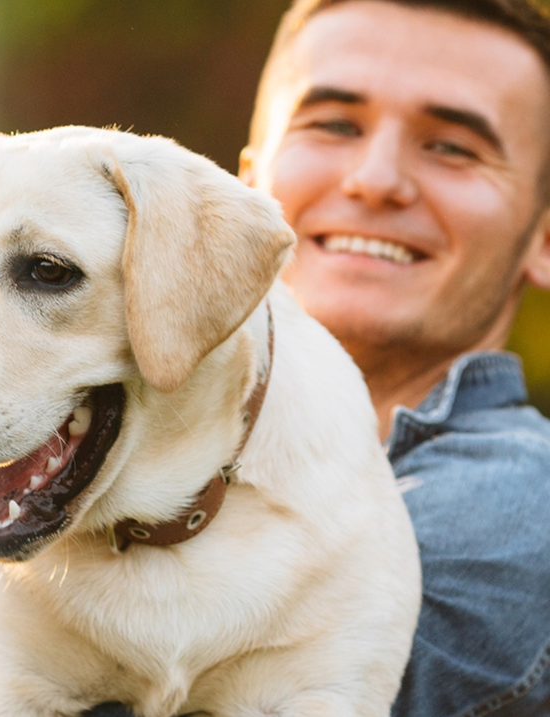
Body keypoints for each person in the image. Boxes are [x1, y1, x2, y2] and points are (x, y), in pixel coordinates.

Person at [238, 0, 550, 714]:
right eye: (335, 124)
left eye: (452, 147)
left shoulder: (519, 507)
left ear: (545, 237)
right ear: (246, 188)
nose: (375, 180)